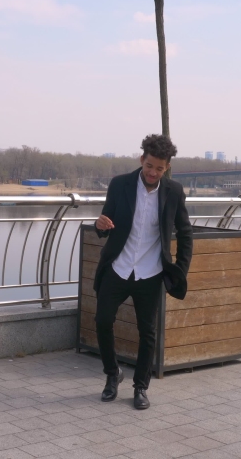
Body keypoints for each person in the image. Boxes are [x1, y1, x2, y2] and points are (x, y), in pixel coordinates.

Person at [93, 134, 193, 410]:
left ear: (167, 168)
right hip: (118, 267)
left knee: (147, 332)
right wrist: (99, 225)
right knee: (102, 321)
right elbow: (105, 223)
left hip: (151, 272)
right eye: (150, 166)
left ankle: (140, 387)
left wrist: (180, 270)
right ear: (142, 160)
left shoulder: (173, 191)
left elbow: (185, 233)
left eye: (159, 168)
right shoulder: (120, 184)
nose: (153, 173)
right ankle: (113, 374)